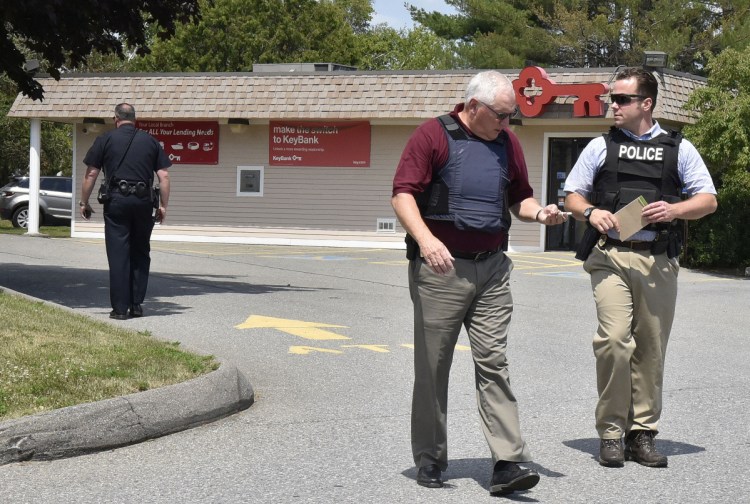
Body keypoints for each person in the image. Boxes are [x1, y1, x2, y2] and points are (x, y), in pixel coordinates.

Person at [391, 70, 567, 496]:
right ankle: (431, 458)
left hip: (491, 268)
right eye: (503, 116)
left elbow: (519, 198)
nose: (508, 124)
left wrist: (540, 213)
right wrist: (427, 240)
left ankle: (508, 461)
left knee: (493, 362)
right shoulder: (432, 135)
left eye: (511, 117)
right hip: (441, 269)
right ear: (473, 107)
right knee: (433, 368)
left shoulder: (507, 145)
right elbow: (402, 194)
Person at [564, 67, 717, 468]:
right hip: (610, 256)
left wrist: (675, 209)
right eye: (612, 99)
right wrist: (591, 211)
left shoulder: (679, 148)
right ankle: (611, 433)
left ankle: (642, 434)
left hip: (658, 259)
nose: (613, 105)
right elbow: (572, 196)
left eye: (622, 99)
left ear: (646, 103)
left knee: (650, 348)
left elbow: (708, 200)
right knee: (614, 340)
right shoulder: (600, 146)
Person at [79, 103, 171, 320]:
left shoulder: (105, 139)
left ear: (115, 118)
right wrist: (163, 206)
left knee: (119, 254)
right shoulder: (150, 141)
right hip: (143, 202)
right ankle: (136, 304)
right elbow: (164, 176)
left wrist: (84, 202)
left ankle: (120, 309)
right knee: (140, 252)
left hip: (117, 201)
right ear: (135, 119)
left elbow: (91, 174)